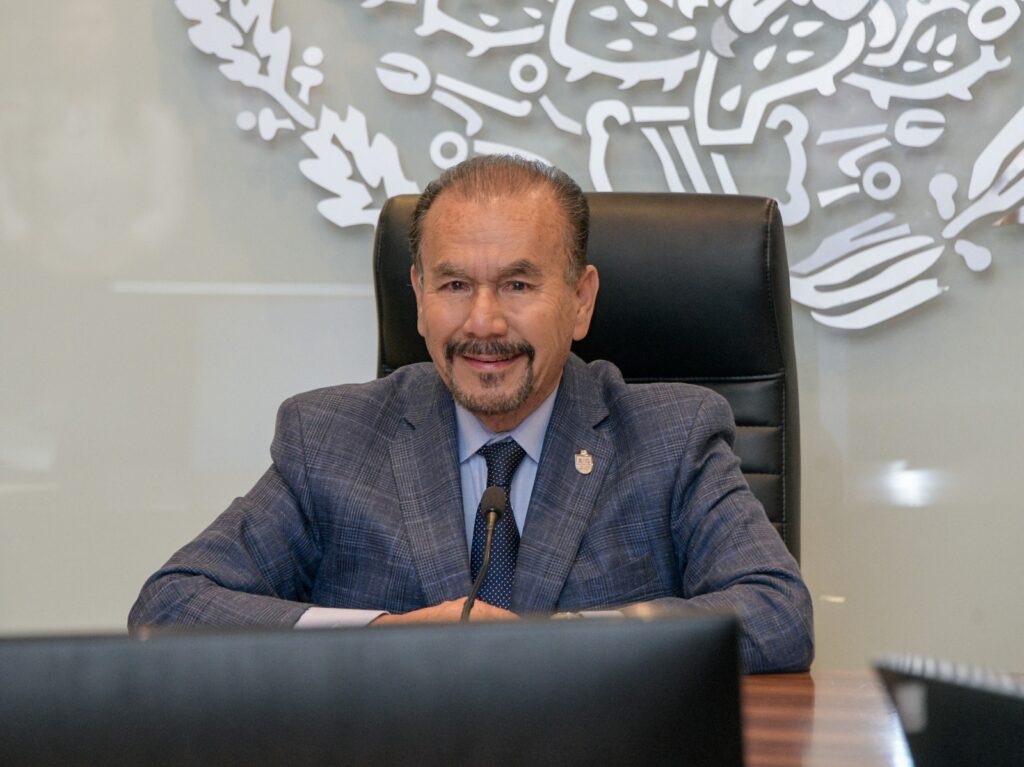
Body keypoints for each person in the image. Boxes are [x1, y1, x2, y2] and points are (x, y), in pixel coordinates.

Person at [129, 155, 813, 673]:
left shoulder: (672, 436)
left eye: (518, 284)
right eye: (455, 284)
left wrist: (557, 642)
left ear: (580, 300)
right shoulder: (330, 439)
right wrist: (382, 636)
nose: (483, 322)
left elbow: (777, 613)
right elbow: (172, 605)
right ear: (419, 296)